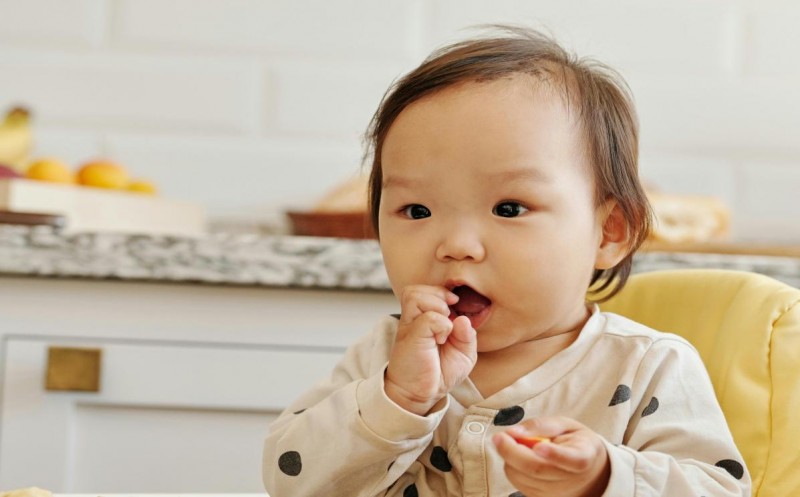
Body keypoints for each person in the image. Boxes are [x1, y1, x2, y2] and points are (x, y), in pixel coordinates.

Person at [263, 25, 750, 497]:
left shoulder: (646, 366)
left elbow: (718, 489)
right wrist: (398, 401)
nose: (456, 245)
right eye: (417, 211)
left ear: (609, 231)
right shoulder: (385, 358)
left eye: (509, 209)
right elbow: (291, 482)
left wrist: (604, 477)